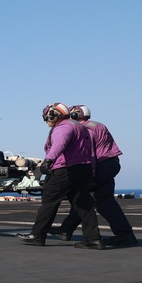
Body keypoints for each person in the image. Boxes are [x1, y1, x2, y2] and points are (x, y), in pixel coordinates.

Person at [17, 103, 104, 249]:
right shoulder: (81, 127)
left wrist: (49, 160)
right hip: (84, 169)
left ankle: (37, 236)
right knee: (83, 205)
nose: (46, 120)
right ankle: (94, 239)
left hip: (65, 170)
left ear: (53, 115)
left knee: (49, 201)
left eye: (47, 117)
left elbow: (60, 143)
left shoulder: (63, 127)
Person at [53, 105, 137, 246]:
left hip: (99, 164)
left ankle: (124, 234)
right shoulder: (98, 125)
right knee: (88, 199)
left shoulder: (84, 128)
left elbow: (89, 152)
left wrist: (90, 174)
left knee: (98, 201)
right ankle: (66, 229)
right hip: (111, 162)